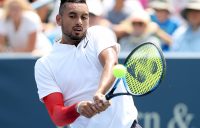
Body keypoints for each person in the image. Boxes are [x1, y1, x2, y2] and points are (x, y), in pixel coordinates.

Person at [34, 0, 141, 128]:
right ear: (59, 20)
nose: (79, 22)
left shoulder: (99, 33)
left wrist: (100, 92)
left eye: (84, 17)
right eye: (72, 16)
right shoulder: (45, 64)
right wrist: (77, 108)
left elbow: (111, 63)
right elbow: (58, 117)